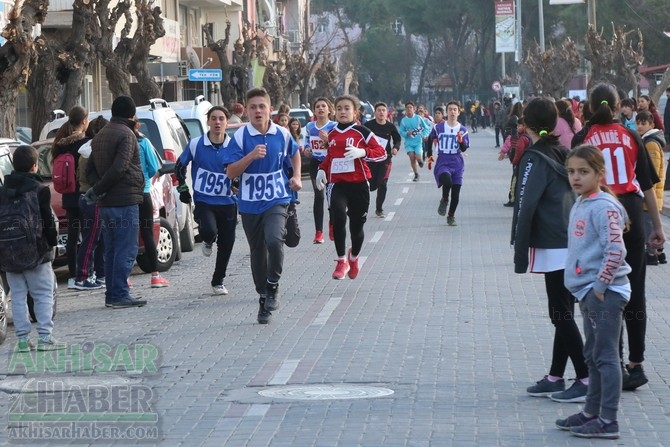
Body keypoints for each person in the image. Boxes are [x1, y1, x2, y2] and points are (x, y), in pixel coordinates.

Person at [572, 83, 666, 390]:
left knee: (601, 289)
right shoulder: (631, 136)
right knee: (633, 289)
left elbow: (571, 186)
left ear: (587, 105)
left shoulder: (582, 138)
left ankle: (612, 358)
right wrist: (657, 226)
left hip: (597, 210)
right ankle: (635, 365)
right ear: (617, 107)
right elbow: (648, 186)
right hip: (629, 212)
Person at [512, 97, 589, 403]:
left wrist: (519, 245)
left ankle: (586, 377)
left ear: (526, 124)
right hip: (569, 237)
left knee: (559, 313)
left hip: (552, 241)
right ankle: (556, 376)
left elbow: (526, 203)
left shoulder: (533, 157)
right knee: (563, 312)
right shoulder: (561, 150)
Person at [555, 145, 631, 440]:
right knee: (593, 354)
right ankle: (591, 412)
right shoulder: (582, 202)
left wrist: (599, 287)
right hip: (587, 291)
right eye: (571, 171)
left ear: (600, 174)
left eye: (583, 172)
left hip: (604, 293)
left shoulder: (604, 206)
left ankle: (608, 420)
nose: (575, 177)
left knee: (606, 356)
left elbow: (616, 250)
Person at [224, 88, 302, 324]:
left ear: (270, 109)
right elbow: (230, 171)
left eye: (262, 106)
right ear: (247, 111)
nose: (258, 111)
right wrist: (250, 156)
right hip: (249, 202)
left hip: (278, 197)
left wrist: (297, 176)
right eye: (253, 107)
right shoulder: (240, 136)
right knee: (258, 251)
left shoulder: (282, 133)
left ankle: (273, 285)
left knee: (274, 240)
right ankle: (263, 296)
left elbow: (295, 154)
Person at [315, 95, 386, 280]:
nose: (343, 112)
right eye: (339, 108)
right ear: (335, 112)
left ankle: (353, 257)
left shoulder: (363, 132)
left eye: (347, 108)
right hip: (337, 185)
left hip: (359, 185)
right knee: (337, 216)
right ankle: (341, 260)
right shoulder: (332, 134)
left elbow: (381, 153)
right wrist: (322, 169)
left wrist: (362, 152)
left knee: (356, 228)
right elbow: (331, 157)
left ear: (355, 112)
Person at [86, 95, 147, 309]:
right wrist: (100, 188)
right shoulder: (127, 135)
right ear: (131, 114)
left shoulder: (100, 135)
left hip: (106, 204)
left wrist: (97, 189)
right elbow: (120, 169)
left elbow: (89, 170)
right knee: (126, 249)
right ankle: (120, 294)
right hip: (124, 200)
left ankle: (112, 294)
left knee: (111, 250)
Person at [2, 145, 62, 351]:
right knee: (43, 293)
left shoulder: (2, 192)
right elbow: (47, 221)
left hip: (8, 253)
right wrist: (52, 244)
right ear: (35, 166)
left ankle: (22, 340)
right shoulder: (40, 190)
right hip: (36, 251)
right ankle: (45, 337)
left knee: (17, 295)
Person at [176, 106, 237, 295]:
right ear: (208, 122)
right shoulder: (196, 144)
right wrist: (183, 188)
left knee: (227, 244)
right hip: (205, 201)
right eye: (214, 118)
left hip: (228, 202)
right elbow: (179, 166)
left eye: (221, 119)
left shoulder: (234, 145)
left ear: (227, 122)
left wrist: (239, 184)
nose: (218, 122)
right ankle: (208, 240)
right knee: (208, 231)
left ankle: (218, 281)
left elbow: (244, 169)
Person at [51, 106, 89, 289]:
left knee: (73, 236)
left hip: (68, 196)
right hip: (83, 193)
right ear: (84, 121)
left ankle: (73, 275)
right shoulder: (85, 143)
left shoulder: (59, 144)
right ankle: (86, 271)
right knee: (89, 234)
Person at [75, 116, 108, 290]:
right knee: (91, 239)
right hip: (92, 199)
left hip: (88, 197)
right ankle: (82, 277)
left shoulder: (87, 149)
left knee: (99, 238)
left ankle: (101, 275)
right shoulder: (92, 152)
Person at [135, 121, 169, 288]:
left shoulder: (119, 141)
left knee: (127, 235)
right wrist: (145, 180)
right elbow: (154, 166)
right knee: (147, 233)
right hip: (144, 192)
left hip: (124, 196)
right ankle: (155, 276)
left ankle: (125, 278)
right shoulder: (143, 142)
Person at [429, 101, 469, 226]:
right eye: (450, 109)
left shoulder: (463, 130)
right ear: (446, 112)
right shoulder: (438, 127)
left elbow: (464, 149)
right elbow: (429, 139)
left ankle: (451, 216)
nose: (452, 112)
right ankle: (445, 198)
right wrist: (429, 155)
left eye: (455, 109)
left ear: (458, 112)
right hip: (443, 159)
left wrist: (461, 142)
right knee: (447, 181)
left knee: (456, 192)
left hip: (457, 161)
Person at [303, 97, 336, 244]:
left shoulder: (334, 126)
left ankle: (332, 225)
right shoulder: (310, 126)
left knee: (331, 196)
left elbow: (337, 146)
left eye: (324, 106)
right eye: (318, 106)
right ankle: (318, 232)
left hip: (330, 163)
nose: (321, 109)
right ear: (314, 110)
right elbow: (306, 141)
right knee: (319, 196)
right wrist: (307, 149)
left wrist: (328, 139)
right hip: (315, 162)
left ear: (329, 110)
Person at [635, 111, 666, 265]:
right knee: (650, 223)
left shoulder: (651, 143)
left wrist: (645, 191)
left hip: (650, 194)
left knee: (648, 226)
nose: (640, 126)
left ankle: (652, 254)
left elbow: (651, 173)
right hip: (651, 194)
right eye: (638, 123)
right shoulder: (647, 140)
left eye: (643, 123)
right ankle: (660, 253)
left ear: (651, 125)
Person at [364, 102, 402, 219]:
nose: (381, 112)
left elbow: (397, 139)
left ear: (387, 113)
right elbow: (361, 138)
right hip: (370, 159)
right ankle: (363, 207)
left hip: (385, 158)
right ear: (375, 112)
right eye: (379, 110)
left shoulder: (390, 126)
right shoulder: (368, 125)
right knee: (367, 184)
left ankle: (379, 209)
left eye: (383, 110)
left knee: (383, 183)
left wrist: (395, 148)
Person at [498, 117, 531, 207]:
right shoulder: (528, 136)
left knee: (515, 181)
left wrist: (514, 162)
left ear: (524, 126)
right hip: (526, 164)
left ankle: (513, 199)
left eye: (519, 126)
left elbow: (518, 152)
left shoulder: (522, 138)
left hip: (519, 164)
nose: (517, 127)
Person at [399, 102, 431, 181]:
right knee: (411, 157)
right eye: (407, 108)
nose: (409, 109)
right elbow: (401, 131)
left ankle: (420, 161)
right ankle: (416, 174)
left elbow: (426, 128)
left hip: (418, 142)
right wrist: (407, 133)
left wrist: (424, 135)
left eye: (410, 107)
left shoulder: (418, 118)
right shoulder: (403, 121)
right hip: (409, 143)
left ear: (414, 109)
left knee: (418, 158)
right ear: (405, 110)